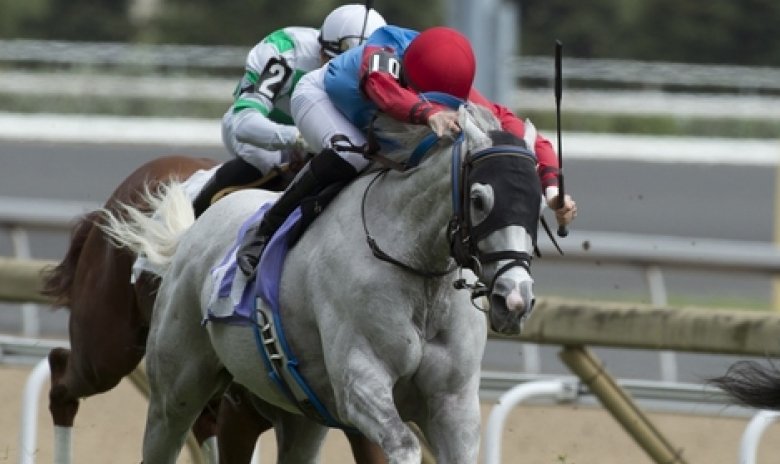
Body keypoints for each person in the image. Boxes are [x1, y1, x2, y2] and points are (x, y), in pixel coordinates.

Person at [235, 25, 579, 277]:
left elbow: (525, 137)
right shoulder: (385, 52)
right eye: (431, 97)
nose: (441, 106)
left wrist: (552, 191)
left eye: (447, 102)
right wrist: (429, 114)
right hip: (324, 98)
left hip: (379, 118)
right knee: (351, 155)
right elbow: (381, 89)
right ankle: (265, 230)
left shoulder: (453, 81)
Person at [191, 4, 387, 216]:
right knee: (267, 159)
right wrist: (301, 139)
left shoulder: (384, 67)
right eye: (333, 66)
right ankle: (192, 213)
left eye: (351, 73)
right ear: (321, 50)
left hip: (320, 141)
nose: (338, 78)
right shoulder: (284, 51)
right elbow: (244, 124)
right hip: (258, 135)